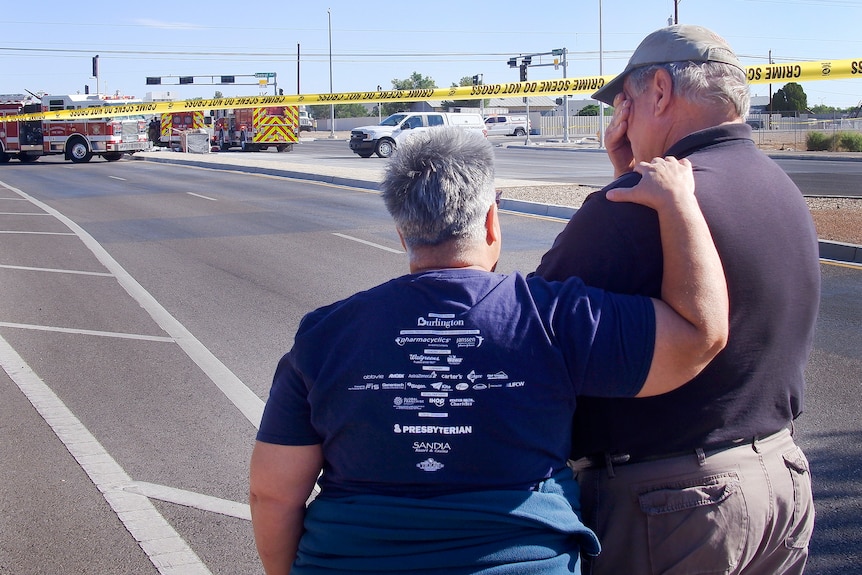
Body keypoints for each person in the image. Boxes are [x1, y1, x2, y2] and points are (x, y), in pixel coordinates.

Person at [249, 126, 728, 575]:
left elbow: (272, 494)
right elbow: (698, 335)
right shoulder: (553, 317)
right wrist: (678, 204)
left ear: (403, 233)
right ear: (492, 221)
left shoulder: (323, 333)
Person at [535, 24, 820, 575]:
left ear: (660, 92)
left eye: (626, 102)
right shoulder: (782, 190)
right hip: (781, 483)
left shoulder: (635, 206)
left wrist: (615, 192)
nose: (621, 120)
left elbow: (537, 326)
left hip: (672, 510)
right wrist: (626, 174)